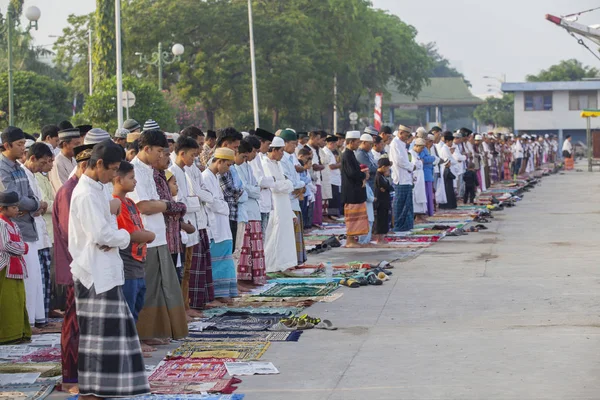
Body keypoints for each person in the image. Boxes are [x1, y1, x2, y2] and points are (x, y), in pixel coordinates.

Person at [68, 140, 149, 399]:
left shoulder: (99, 188)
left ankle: (110, 387)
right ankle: (92, 390)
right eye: (112, 169)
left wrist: (114, 235)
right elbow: (101, 234)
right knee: (98, 337)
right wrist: (126, 236)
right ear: (98, 164)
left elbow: (107, 228)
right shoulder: (86, 193)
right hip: (93, 272)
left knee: (111, 335)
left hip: (107, 269)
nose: (114, 175)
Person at [129, 129, 188, 345]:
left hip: (158, 235)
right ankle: (143, 334)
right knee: (147, 287)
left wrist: (162, 206)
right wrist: (168, 205)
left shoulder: (151, 171)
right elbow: (143, 205)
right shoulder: (134, 170)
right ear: (146, 149)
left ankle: (156, 330)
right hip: (144, 236)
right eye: (160, 151)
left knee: (161, 287)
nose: (163, 156)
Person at [53, 143, 93, 387]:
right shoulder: (70, 191)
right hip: (74, 267)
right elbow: (72, 235)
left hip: (84, 266)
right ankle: (70, 377)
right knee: (73, 324)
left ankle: (83, 375)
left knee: (83, 323)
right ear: (85, 166)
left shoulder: (83, 188)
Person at [0, 126, 46, 329]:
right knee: (22, 280)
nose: (23, 149)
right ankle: (23, 323)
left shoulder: (19, 167)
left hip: (27, 227)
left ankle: (33, 321)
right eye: (19, 145)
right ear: (7, 145)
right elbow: (13, 198)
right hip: (13, 231)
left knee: (34, 279)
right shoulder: (2, 168)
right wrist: (33, 205)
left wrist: (33, 205)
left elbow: (29, 195)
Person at [113, 161, 156, 357]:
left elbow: (138, 228)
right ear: (118, 179)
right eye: (131, 178)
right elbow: (128, 233)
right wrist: (148, 236)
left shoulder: (129, 203)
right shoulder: (115, 203)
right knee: (128, 301)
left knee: (138, 298)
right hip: (126, 257)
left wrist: (145, 235)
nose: (135, 181)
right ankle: (129, 343)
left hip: (138, 257)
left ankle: (133, 338)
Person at [173, 128, 214, 314]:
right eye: (192, 155)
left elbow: (195, 197)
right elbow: (180, 201)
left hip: (194, 223)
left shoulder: (186, 170)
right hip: (183, 225)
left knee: (190, 270)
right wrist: (194, 202)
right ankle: (185, 307)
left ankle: (188, 306)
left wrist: (194, 201)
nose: (194, 159)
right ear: (181, 153)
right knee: (184, 272)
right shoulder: (173, 171)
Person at [22, 143, 55, 323]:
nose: (44, 167)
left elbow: (38, 206)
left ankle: (40, 318)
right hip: (29, 232)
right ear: (32, 158)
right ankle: (32, 320)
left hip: (39, 232)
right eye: (43, 163)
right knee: (34, 280)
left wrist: (39, 206)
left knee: (41, 280)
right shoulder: (23, 174)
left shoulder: (33, 175)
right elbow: (32, 207)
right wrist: (39, 205)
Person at [202, 148, 238, 300]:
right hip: (215, 227)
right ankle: (218, 296)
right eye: (227, 165)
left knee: (227, 262)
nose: (228, 169)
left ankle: (227, 294)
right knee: (218, 264)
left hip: (223, 225)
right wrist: (225, 207)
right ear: (220, 161)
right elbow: (211, 203)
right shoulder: (205, 177)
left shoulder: (214, 177)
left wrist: (223, 207)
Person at [234, 137, 266, 287]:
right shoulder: (235, 167)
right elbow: (243, 189)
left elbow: (255, 188)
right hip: (245, 210)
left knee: (256, 246)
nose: (250, 157)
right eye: (247, 155)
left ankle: (255, 278)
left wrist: (253, 189)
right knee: (245, 247)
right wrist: (253, 189)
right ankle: (243, 279)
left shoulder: (247, 166)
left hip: (254, 209)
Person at [261, 137, 297, 272]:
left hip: (284, 204)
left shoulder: (278, 164)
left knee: (284, 235)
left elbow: (283, 183)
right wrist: (288, 184)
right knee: (274, 235)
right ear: (273, 150)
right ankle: (271, 266)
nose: (283, 153)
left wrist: (287, 184)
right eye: (281, 150)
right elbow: (274, 186)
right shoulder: (265, 164)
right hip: (274, 205)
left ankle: (284, 263)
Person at [0, 191, 31, 344]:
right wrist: (23, 247)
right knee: (8, 300)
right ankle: (7, 335)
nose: (17, 210)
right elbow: (5, 245)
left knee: (19, 299)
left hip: (15, 265)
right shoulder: (1, 223)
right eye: (13, 207)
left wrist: (21, 246)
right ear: (3, 208)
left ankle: (19, 332)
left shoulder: (13, 224)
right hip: (5, 267)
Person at [280, 129, 307, 265]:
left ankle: (295, 261)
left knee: (296, 231)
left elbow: (297, 178)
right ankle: (289, 262)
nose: (295, 146)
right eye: (292, 143)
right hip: (287, 200)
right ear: (284, 143)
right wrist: (299, 185)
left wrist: (301, 185)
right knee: (289, 233)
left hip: (295, 198)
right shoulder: (281, 159)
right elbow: (288, 180)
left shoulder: (292, 157)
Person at [216, 128, 244, 250]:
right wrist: (238, 191)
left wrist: (238, 190)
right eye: (235, 147)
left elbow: (240, 187)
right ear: (226, 144)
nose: (237, 150)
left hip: (232, 212)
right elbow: (228, 190)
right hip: (222, 215)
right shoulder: (218, 161)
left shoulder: (230, 163)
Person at [341, 131, 369, 247]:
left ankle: (353, 239)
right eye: (357, 142)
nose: (358, 145)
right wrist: (363, 175)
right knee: (352, 217)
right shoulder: (347, 155)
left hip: (355, 191)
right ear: (351, 142)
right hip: (350, 191)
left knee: (357, 217)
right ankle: (350, 240)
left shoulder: (351, 153)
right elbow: (352, 173)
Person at [389, 125, 415, 232]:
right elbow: (399, 160)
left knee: (407, 203)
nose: (407, 137)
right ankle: (399, 226)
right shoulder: (395, 143)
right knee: (400, 204)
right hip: (400, 178)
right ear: (400, 133)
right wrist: (411, 166)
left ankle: (407, 225)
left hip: (406, 177)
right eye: (406, 135)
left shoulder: (402, 144)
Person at [250, 128, 276, 233]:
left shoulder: (260, 156)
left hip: (265, 202)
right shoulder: (253, 158)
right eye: (268, 144)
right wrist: (273, 179)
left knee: (264, 237)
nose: (269, 147)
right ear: (261, 142)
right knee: (259, 237)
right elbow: (259, 181)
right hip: (259, 204)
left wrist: (269, 181)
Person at [49, 127, 81, 194]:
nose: (79, 147)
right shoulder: (57, 163)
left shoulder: (74, 160)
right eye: (76, 144)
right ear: (65, 144)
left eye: (79, 144)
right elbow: (63, 190)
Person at [307, 131, 325, 227]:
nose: (318, 141)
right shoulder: (307, 149)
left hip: (317, 179)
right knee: (313, 204)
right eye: (317, 139)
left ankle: (317, 222)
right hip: (310, 179)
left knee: (318, 203)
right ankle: (313, 223)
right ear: (312, 138)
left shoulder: (316, 149)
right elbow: (313, 166)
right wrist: (321, 166)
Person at [373, 158, 393, 245]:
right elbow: (384, 187)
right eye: (388, 168)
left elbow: (388, 187)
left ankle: (382, 237)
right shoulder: (378, 177)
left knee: (384, 219)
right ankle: (379, 239)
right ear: (384, 167)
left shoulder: (383, 176)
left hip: (385, 201)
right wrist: (386, 188)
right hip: (380, 202)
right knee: (380, 221)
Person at [323, 135, 341, 219]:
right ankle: (331, 215)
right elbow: (331, 166)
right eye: (334, 144)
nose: (335, 146)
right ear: (330, 143)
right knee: (332, 199)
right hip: (331, 179)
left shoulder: (331, 152)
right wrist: (341, 164)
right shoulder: (326, 152)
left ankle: (335, 214)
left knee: (336, 198)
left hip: (335, 179)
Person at [410, 138, 428, 222]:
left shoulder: (417, 154)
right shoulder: (411, 153)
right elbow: (414, 164)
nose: (422, 150)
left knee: (421, 196)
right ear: (416, 146)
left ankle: (421, 215)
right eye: (421, 147)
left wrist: (420, 162)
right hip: (415, 178)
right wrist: (421, 162)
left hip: (420, 177)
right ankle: (417, 216)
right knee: (416, 197)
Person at [297, 147, 315, 231]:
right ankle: (302, 227)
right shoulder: (298, 166)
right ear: (301, 156)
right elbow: (303, 179)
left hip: (306, 192)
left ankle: (303, 227)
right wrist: (307, 180)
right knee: (301, 211)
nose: (307, 160)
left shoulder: (303, 168)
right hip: (301, 193)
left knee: (304, 210)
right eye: (306, 158)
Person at [439, 132, 458, 209]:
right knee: (447, 188)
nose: (452, 143)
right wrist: (454, 161)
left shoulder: (446, 148)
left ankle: (450, 204)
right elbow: (448, 160)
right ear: (448, 141)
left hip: (448, 169)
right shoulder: (444, 148)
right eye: (451, 142)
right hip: (445, 170)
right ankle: (447, 205)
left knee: (449, 187)